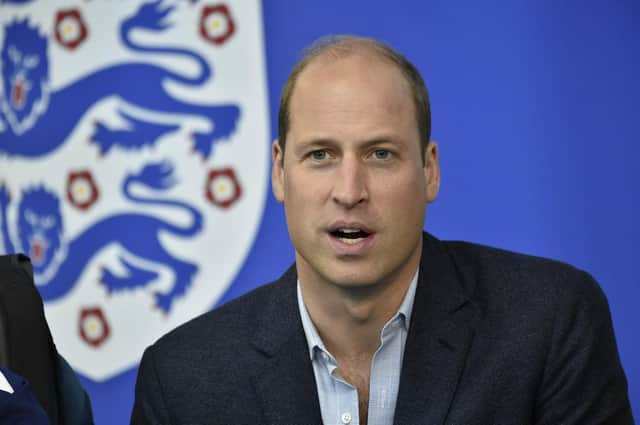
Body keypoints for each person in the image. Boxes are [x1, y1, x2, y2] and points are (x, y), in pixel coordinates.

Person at [131, 35, 633, 425]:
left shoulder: (549, 323)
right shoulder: (182, 379)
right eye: (321, 155)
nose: (350, 190)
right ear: (279, 172)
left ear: (429, 171)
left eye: (381, 154)